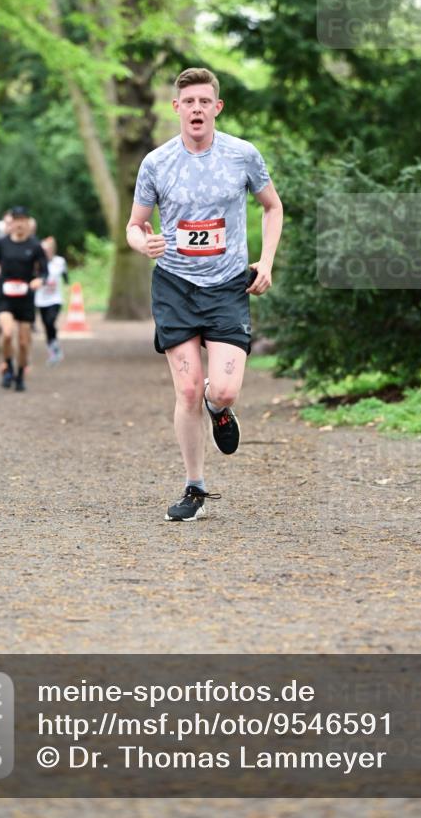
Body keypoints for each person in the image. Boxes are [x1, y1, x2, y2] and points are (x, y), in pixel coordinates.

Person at [126, 68, 283, 522]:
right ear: (176, 108)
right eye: (189, 101)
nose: (196, 108)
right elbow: (135, 225)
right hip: (175, 285)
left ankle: (219, 409)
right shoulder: (156, 163)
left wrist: (266, 262)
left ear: (217, 107)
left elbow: (272, 207)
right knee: (189, 388)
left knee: (225, 390)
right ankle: (194, 487)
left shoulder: (242, 155)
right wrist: (143, 244)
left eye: (204, 101)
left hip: (228, 284)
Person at [0, 206, 47, 392]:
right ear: (10, 223)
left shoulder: (35, 246)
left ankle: (20, 375)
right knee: (7, 333)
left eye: (22, 220)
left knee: (24, 342)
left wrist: (39, 280)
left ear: (28, 223)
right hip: (4, 296)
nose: (19, 224)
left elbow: (44, 270)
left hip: (26, 298)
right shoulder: (1, 244)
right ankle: (8, 367)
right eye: (16, 220)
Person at [35, 236, 68, 363]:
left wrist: (67, 285)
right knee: (46, 324)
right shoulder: (37, 263)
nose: (46, 252)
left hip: (55, 299)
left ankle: (54, 345)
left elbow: (65, 275)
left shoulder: (60, 261)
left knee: (50, 321)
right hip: (41, 299)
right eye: (44, 250)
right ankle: (52, 348)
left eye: (48, 249)